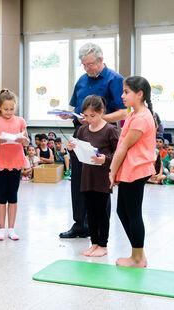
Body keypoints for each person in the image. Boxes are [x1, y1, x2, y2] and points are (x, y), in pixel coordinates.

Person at [59, 42, 126, 239]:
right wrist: (69, 115)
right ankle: (80, 224)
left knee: (100, 184)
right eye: (84, 65)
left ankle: (98, 228)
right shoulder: (81, 80)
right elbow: (75, 109)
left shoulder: (114, 79)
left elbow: (123, 111)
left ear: (100, 60)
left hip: (103, 136)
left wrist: (98, 119)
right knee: (79, 181)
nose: (88, 68)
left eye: (90, 64)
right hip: (81, 134)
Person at [109, 76, 156, 268]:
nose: (122, 96)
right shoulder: (134, 115)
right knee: (123, 211)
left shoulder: (142, 118)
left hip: (137, 169)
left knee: (133, 213)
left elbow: (123, 147)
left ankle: (137, 258)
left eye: (126, 92)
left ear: (140, 94)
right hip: (131, 168)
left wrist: (112, 171)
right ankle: (138, 254)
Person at [67, 95, 118, 257]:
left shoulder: (110, 130)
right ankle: (94, 242)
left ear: (101, 112)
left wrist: (105, 159)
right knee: (90, 212)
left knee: (102, 212)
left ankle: (103, 244)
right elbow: (77, 154)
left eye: (93, 116)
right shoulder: (82, 130)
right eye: (86, 116)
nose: (89, 120)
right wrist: (70, 149)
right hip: (87, 176)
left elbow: (118, 154)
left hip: (102, 177)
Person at [0, 89, 29, 241]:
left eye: (12, 109)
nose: (9, 112)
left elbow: (27, 140)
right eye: (6, 109)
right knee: (2, 195)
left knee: (13, 196)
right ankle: (1, 228)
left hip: (16, 162)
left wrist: (23, 140)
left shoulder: (20, 121)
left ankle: (11, 228)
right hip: (1, 161)